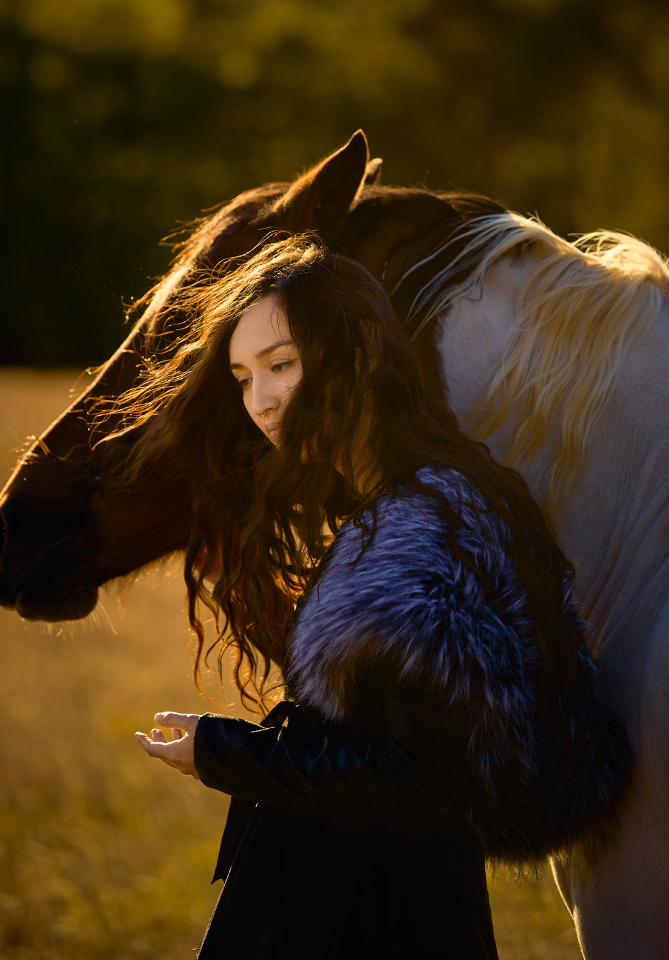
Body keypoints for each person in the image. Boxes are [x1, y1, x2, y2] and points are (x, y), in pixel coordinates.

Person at [130, 237, 631, 959]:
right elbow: (382, 722)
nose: (260, 401)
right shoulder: (422, 501)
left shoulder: (417, 532)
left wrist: (225, 753)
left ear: (363, 350)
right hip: (366, 892)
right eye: (242, 378)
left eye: (282, 365)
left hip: (365, 908)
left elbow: (418, 782)